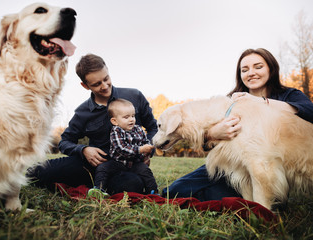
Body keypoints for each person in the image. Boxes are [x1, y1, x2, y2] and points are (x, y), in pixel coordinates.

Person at [162, 48, 313, 201]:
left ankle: (263, 199)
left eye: (258, 67)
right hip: (230, 166)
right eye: (244, 70)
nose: (251, 73)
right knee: (174, 191)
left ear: (271, 69)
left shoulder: (288, 95)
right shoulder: (230, 101)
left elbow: (309, 111)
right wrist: (213, 133)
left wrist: (261, 102)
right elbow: (206, 145)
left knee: (218, 194)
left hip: (269, 166)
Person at [26, 54, 158, 195]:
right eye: (96, 84)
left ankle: (96, 184)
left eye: (106, 79)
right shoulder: (83, 112)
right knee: (39, 172)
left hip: (127, 166)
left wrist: (147, 151)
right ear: (85, 86)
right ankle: (92, 182)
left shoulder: (135, 96)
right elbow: (65, 142)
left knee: (131, 185)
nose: (105, 86)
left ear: (107, 70)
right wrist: (83, 150)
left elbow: (153, 128)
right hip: (93, 164)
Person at [88, 98, 158, 197]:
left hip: (135, 162)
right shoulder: (116, 131)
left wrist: (148, 152)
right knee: (103, 168)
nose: (131, 119)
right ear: (115, 121)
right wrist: (140, 149)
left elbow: (145, 142)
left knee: (145, 171)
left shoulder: (139, 129)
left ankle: (153, 192)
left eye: (133, 116)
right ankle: (99, 189)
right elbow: (121, 148)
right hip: (118, 162)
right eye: (126, 117)